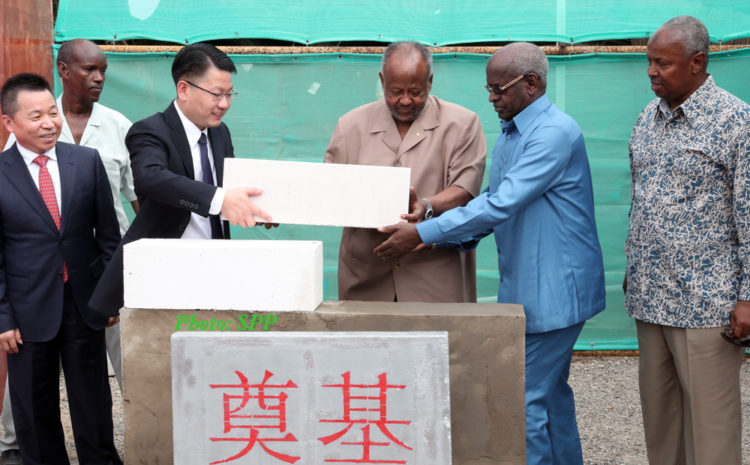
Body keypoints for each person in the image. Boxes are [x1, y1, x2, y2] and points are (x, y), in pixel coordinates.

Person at [374, 42, 605, 464]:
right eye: (489, 88)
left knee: (521, 400)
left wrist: (423, 230)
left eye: (499, 89)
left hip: (554, 290)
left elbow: (501, 204)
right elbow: (494, 203)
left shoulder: (553, 133)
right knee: (550, 398)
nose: (491, 98)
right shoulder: (513, 131)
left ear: (531, 84)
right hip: (530, 284)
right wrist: (434, 232)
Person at [0, 41, 136, 461]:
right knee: (35, 410)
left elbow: (108, 237)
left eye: (52, 113)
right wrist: (4, 317)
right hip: (26, 311)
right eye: (36, 116)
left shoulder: (86, 161)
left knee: (93, 402)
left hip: (84, 304)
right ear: (9, 121)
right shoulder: (1, 174)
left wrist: (109, 295)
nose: (48, 123)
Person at [624, 16, 750, 465]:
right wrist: (633, 271)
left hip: (706, 307)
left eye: (663, 63)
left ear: (697, 62)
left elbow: (749, 216)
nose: (652, 71)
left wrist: (748, 298)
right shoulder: (648, 118)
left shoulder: (736, 122)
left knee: (711, 435)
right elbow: (642, 202)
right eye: (649, 62)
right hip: (651, 298)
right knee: (661, 426)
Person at [89, 43, 271, 318]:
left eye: (229, 94)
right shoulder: (150, 131)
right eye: (216, 94)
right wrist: (220, 200)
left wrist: (258, 207)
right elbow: (151, 178)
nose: (224, 104)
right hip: (163, 268)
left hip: (217, 267)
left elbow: (231, 190)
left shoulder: (220, 134)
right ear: (184, 89)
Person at [324, 41, 486, 302]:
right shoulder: (350, 125)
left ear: (430, 82)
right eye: (396, 91)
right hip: (366, 278)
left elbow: (465, 191)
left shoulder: (462, 124)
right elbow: (327, 190)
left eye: (415, 92)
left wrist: (427, 205)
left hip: (433, 276)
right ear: (382, 81)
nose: (406, 101)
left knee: (438, 341)